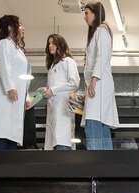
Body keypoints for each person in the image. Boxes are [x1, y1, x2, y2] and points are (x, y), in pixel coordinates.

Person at [0, 15, 30, 150]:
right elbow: (4, 66)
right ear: (10, 28)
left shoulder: (17, 49)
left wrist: (26, 96)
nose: (23, 28)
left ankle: (11, 169)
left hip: (16, 98)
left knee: (12, 134)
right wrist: (10, 88)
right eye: (19, 25)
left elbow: (23, 75)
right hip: (6, 95)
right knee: (3, 132)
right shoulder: (3, 44)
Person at [82, 2, 119, 150]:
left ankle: (96, 165)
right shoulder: (100, 32)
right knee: (101, 125)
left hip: (99, 85)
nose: (84, 17)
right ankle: (107, 168)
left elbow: (101, 57)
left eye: (87, 13)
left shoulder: (101, 31)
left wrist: (93, 79)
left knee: (93, 123)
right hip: (100, 85)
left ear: (96, 13)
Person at [42, 34, 79, 151]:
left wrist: (53, 90)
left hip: (63, 110)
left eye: (53, 43)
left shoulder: (68, 61)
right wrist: (46, 90)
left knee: (62, 143)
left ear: (60, 45)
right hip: (53, 112)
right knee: (54, 146)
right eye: (49, 43)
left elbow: (74, 83)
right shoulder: (52, 66)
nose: (50, 46)